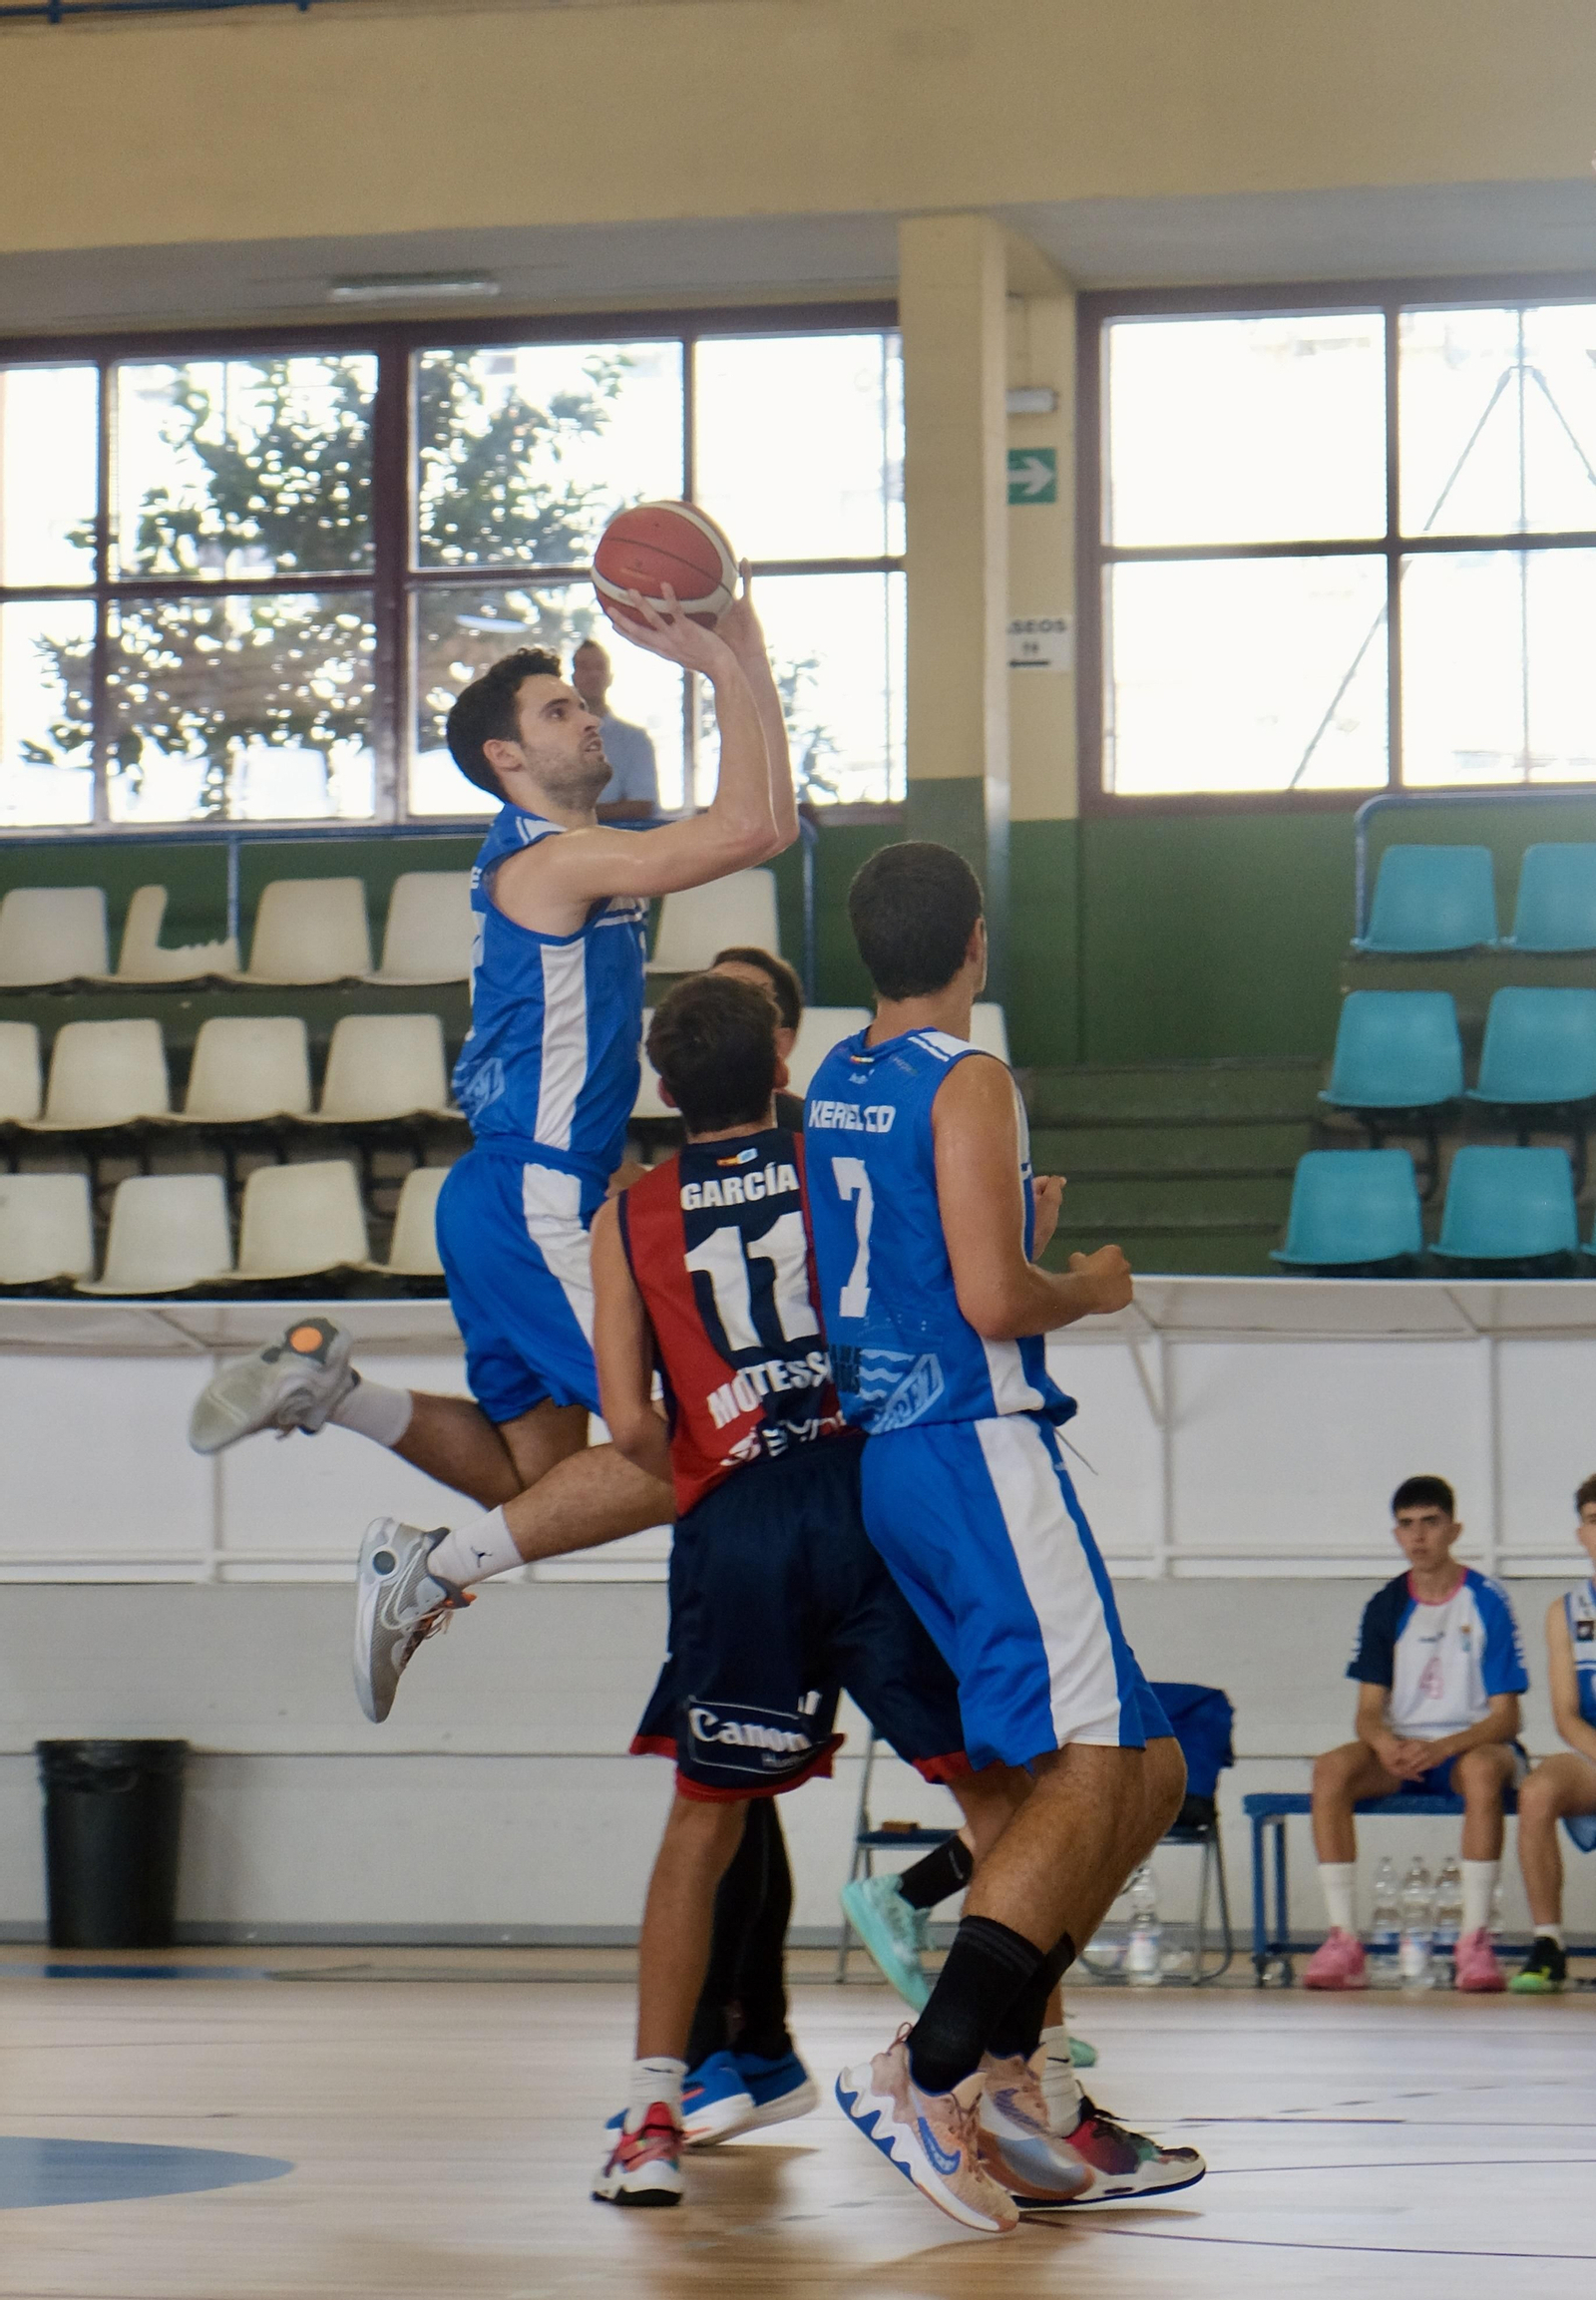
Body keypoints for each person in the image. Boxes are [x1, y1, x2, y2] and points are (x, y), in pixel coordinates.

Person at [187, 574, 796, 1725]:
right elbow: (757, 828)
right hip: (538, 1195)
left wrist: (743, 643)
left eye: (582, 703)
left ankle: (340, 1394)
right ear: (505, 758)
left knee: (537, 1474)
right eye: (559, 711)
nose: (587, 721)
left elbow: (754, 818)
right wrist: (726, 663)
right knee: (686, 1449)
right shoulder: (554, 864)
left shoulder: (573, 849)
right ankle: (427, 1572)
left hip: (504, 1191)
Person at [804, 840, 1202, 2236]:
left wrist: (1002, 1252)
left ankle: (1023, 2085)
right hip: (976, 1448)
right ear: (977, 942)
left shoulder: (840, 1077)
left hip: (904, 1458)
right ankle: (926, 2073)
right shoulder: (968, 1077)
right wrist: (1080, 1282)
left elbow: (896, 1262)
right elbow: (989, 1297)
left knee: (1145, 1767)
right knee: (1091, 1769)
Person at [586, 972, 1031, 2207]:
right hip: (871, 1492)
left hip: (736, 1527)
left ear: (664, 1092)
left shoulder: (628, 1215)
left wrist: (693, 1432)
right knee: (995, 1798)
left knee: (703, 1820)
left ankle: (650, 2114)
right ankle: (1003, 2084)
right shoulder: (831, 1154)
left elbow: (626, 1425)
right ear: (782, 1066)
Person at [1304, 1474, 1529, 1994]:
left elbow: (1507, 1718)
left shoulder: (1487, 1599)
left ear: (1454, 1529)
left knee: (1480, 1772)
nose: (1419, 1536)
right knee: (1330, 1769)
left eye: (1430, 1522)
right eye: (1407, 1525)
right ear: (1396, 1534)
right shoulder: (1385, 1605)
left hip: (1470, 1746)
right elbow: (1366, 1713)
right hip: (1403, 1751)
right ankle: (1343, 1940)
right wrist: (1386, 1745)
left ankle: (1474, 1942)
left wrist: (1444, 1746)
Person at [1510, 1474, 1596, 1993]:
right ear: (1580, 1534)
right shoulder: (1565, 1613)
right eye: (1593, 1521)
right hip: (1592, 1750)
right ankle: (1548, 1943)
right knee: (1537, 1791)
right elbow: (1566, 1715)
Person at [573, 635, 659, 821]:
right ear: (573, 677)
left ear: (610, 677)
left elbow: (642, 806)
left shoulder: (635, 740)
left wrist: (571, 817)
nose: (593, 674)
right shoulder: (555, 737)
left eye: (600, 667)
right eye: (585, 667)